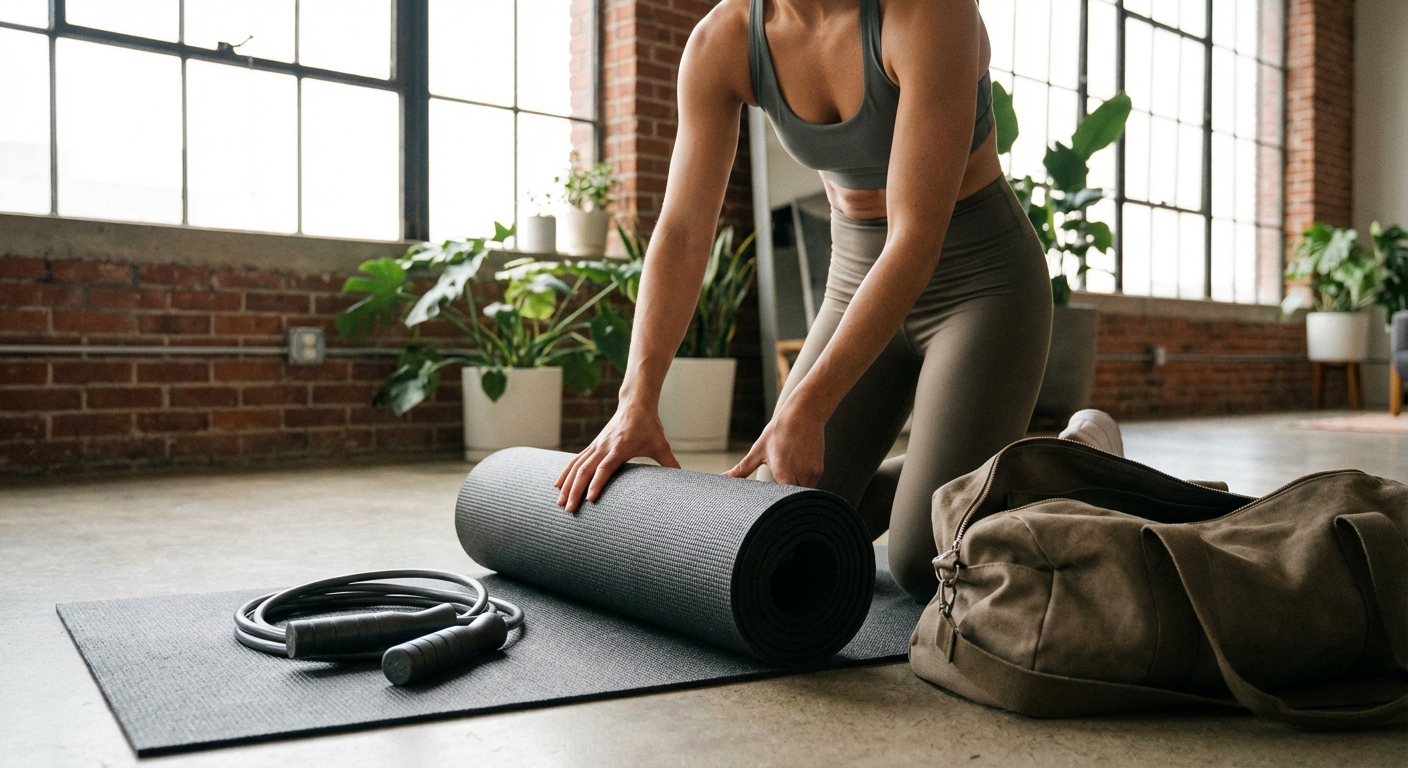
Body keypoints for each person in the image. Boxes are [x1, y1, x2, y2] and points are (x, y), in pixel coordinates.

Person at [555, 0, 1054, 603]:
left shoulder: (927, 12)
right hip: (854, 280)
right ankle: (930, 484)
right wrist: (636, 400)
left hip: (981, 285)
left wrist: (809, 402)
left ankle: (1069, 461)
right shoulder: (724, 41)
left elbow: (915, 237)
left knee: (928, 561)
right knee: (775, 531)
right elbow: (684, 233)